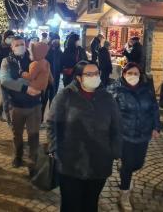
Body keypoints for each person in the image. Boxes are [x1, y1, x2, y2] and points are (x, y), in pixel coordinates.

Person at [47, 61, 122, 212]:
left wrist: (115, 152)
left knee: (90, 203)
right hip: (70, 162)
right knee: (70, 203)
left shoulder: (107, 98)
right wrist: (55, 149)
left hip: (99, 162)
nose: (94, 77)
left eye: (96, 73)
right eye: (89, 74)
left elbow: (117, 127)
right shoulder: (65, 96)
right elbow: (52, 124)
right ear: (79, 78)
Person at [108, 62, 160, 211]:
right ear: (123, 74)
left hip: (143, 133)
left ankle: (125, 170)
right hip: (125, 134)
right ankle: (124, 194)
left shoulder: (147, 90)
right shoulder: (115, 90)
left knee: (138, 163)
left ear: (140, 75)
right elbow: (109, 113)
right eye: (129, 73)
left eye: (136, 73)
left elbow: (154, 109)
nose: (132, 76)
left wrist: (156, 126)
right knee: (129, 165)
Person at [0, 36, 41, 169]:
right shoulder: (6, 61)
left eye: (22, 44)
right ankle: (18, 155)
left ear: (26, 44)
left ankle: (34, 157)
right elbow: (5, 81)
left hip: (34, 104)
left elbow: (41, 76)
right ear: (11, 47)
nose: (20, 47)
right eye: (16, 45)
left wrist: (19, 81)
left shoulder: (34, 59)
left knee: (34, 133)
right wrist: (26, 86)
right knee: (17, 133)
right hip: (15, 105)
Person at [22, 42, 53, 122]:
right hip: (44, 88)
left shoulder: (35, 64)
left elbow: (30, 76)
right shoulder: (46, 62)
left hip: (34, 88)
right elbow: (50, 76)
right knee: (42, 104)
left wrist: (22, 73)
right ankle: (40, 120)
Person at [0, 30, 15, 121]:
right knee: (7, 97)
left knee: (7, 95)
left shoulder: (12, 47)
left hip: (11, 76)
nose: (11, 39)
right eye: (9, 37)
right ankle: (10, 120)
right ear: (4, 38)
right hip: (2, 76)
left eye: (12, 37)